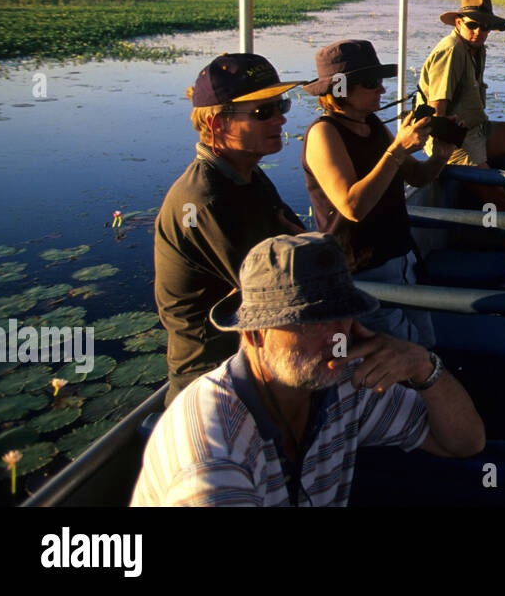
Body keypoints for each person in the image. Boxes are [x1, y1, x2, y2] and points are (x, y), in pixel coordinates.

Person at [132, 232, 485, 507]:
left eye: (343, 314)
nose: (336, 336)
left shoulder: (341, 382)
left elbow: (464, 443)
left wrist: (424, 367)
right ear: (254, 334)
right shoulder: (215, 457)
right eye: (310, 323)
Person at [154, 53, 306, 404]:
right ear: (218, 124)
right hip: (214, 384)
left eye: (280, 104)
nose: (281, 117)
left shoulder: (247, 175)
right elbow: (273, 296)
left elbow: (295, 251)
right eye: (262, 111)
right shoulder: (205, 201)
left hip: (256, 359)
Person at [302, 39, 453, 347]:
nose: (382, 90)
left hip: (401, 259)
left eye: (380, 82)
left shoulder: (371, 124)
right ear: (341, 89)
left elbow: (417, 177)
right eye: (371, 83)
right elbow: (351, 206)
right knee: (403, 358)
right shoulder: (324, 133)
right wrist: (396, 150)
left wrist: (440, 156)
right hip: (363, 272)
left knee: (426, 345)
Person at [418, 0, 505, 216]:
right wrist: (442, 155)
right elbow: (437, 109)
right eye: (473, 25)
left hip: (477, 131)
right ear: (459, 23)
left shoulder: (476, 49)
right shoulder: (452, 50)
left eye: (485, 27)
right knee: (499, 199)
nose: (479, 31)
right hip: (453, 141)